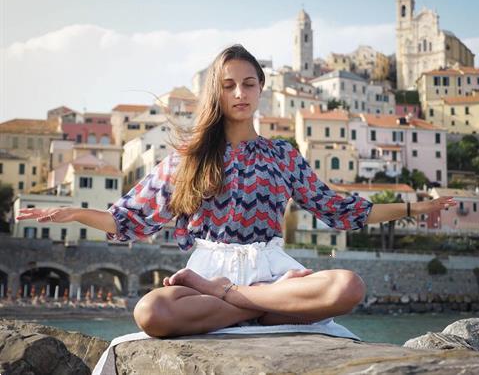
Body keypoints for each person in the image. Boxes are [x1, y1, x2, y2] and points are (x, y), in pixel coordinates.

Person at [17, 44, 456, 338]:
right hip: (209, 274)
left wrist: (417, 205)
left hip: (269, 271)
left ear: (262, 88)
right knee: (150, 312)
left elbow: (341, 210)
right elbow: (128, 218)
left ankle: (241, 301)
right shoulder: (189, 158)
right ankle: (266, 310)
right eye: (229, 85)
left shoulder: (283, 155)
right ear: (217, 93)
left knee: (349, 285)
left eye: (249, 83)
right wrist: (74, 213)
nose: (240, 93)